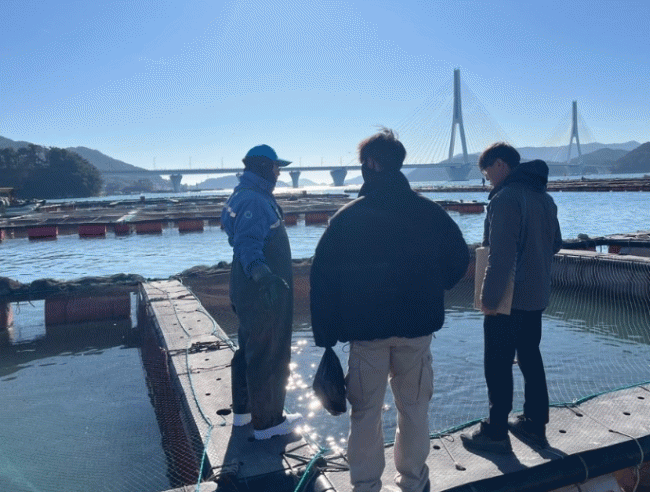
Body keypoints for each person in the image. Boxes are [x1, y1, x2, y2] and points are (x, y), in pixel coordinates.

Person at [310, 128, 469, 492]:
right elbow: (459, 259)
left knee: (365, 414)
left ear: (370, 164)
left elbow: (323, 279)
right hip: (417, 329)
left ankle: (366, 486)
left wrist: (326, 336)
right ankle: (413, 482)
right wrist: (433, 288)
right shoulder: (430, 212)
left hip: (367, 334)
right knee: (414, 410)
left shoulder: (348, 218)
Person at [461, 142, 562, 454]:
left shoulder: (505, 198)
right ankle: (534, 424)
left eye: (487, 172)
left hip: (508, 300)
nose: (487, 179)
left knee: (498, 364)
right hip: (537, 296)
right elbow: (556, 244)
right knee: (531, 358)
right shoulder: (545, 198)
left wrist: (488, 299)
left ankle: (495, 431)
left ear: (500, 165)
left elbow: (500, 256)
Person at [221, 144, 303, 440]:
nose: (279, 173)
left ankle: (244, 414)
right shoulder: (255, 201)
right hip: (261, 289)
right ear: (265, 168)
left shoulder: (244, 194)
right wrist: (264, 276)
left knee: (250, 348)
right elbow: (248, 244)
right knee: (270, 353)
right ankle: (268, 423)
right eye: (277, 167)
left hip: (244, 284)